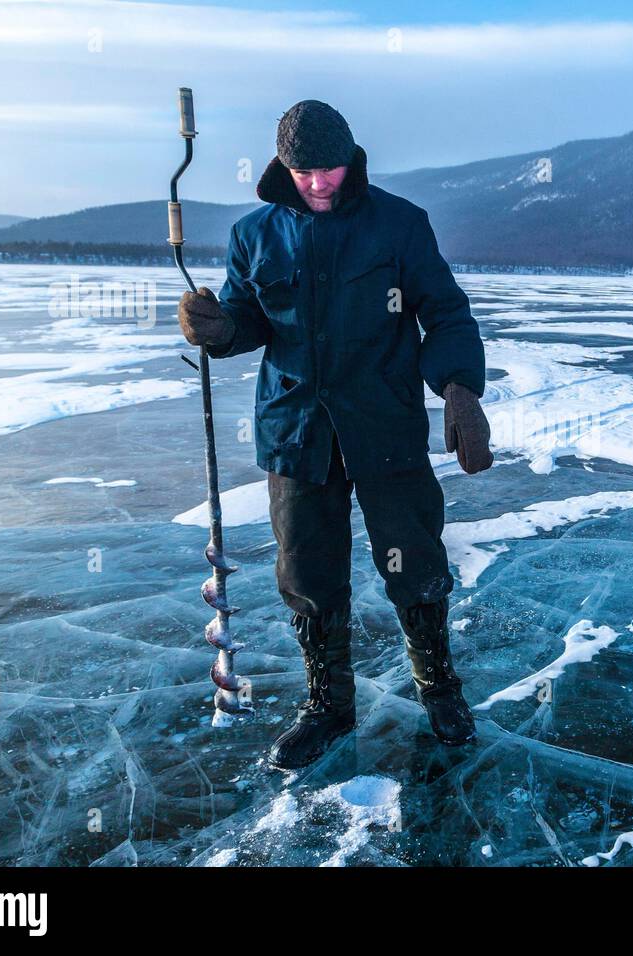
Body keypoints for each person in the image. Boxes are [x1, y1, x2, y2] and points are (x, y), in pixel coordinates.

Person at [177, 100, 493, 768]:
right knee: (308, 574)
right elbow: (249, 320)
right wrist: (219, 329)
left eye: (329, 167)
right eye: (302, 170)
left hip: (385, 426)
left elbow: (446, 313)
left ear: (352, 160)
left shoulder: (400, 225)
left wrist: (460, 389)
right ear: (281, 166)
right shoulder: (254, 234)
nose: (317, 182)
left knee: (415, 563)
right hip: (297, 432)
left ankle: (438, 688)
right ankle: (328, 706)